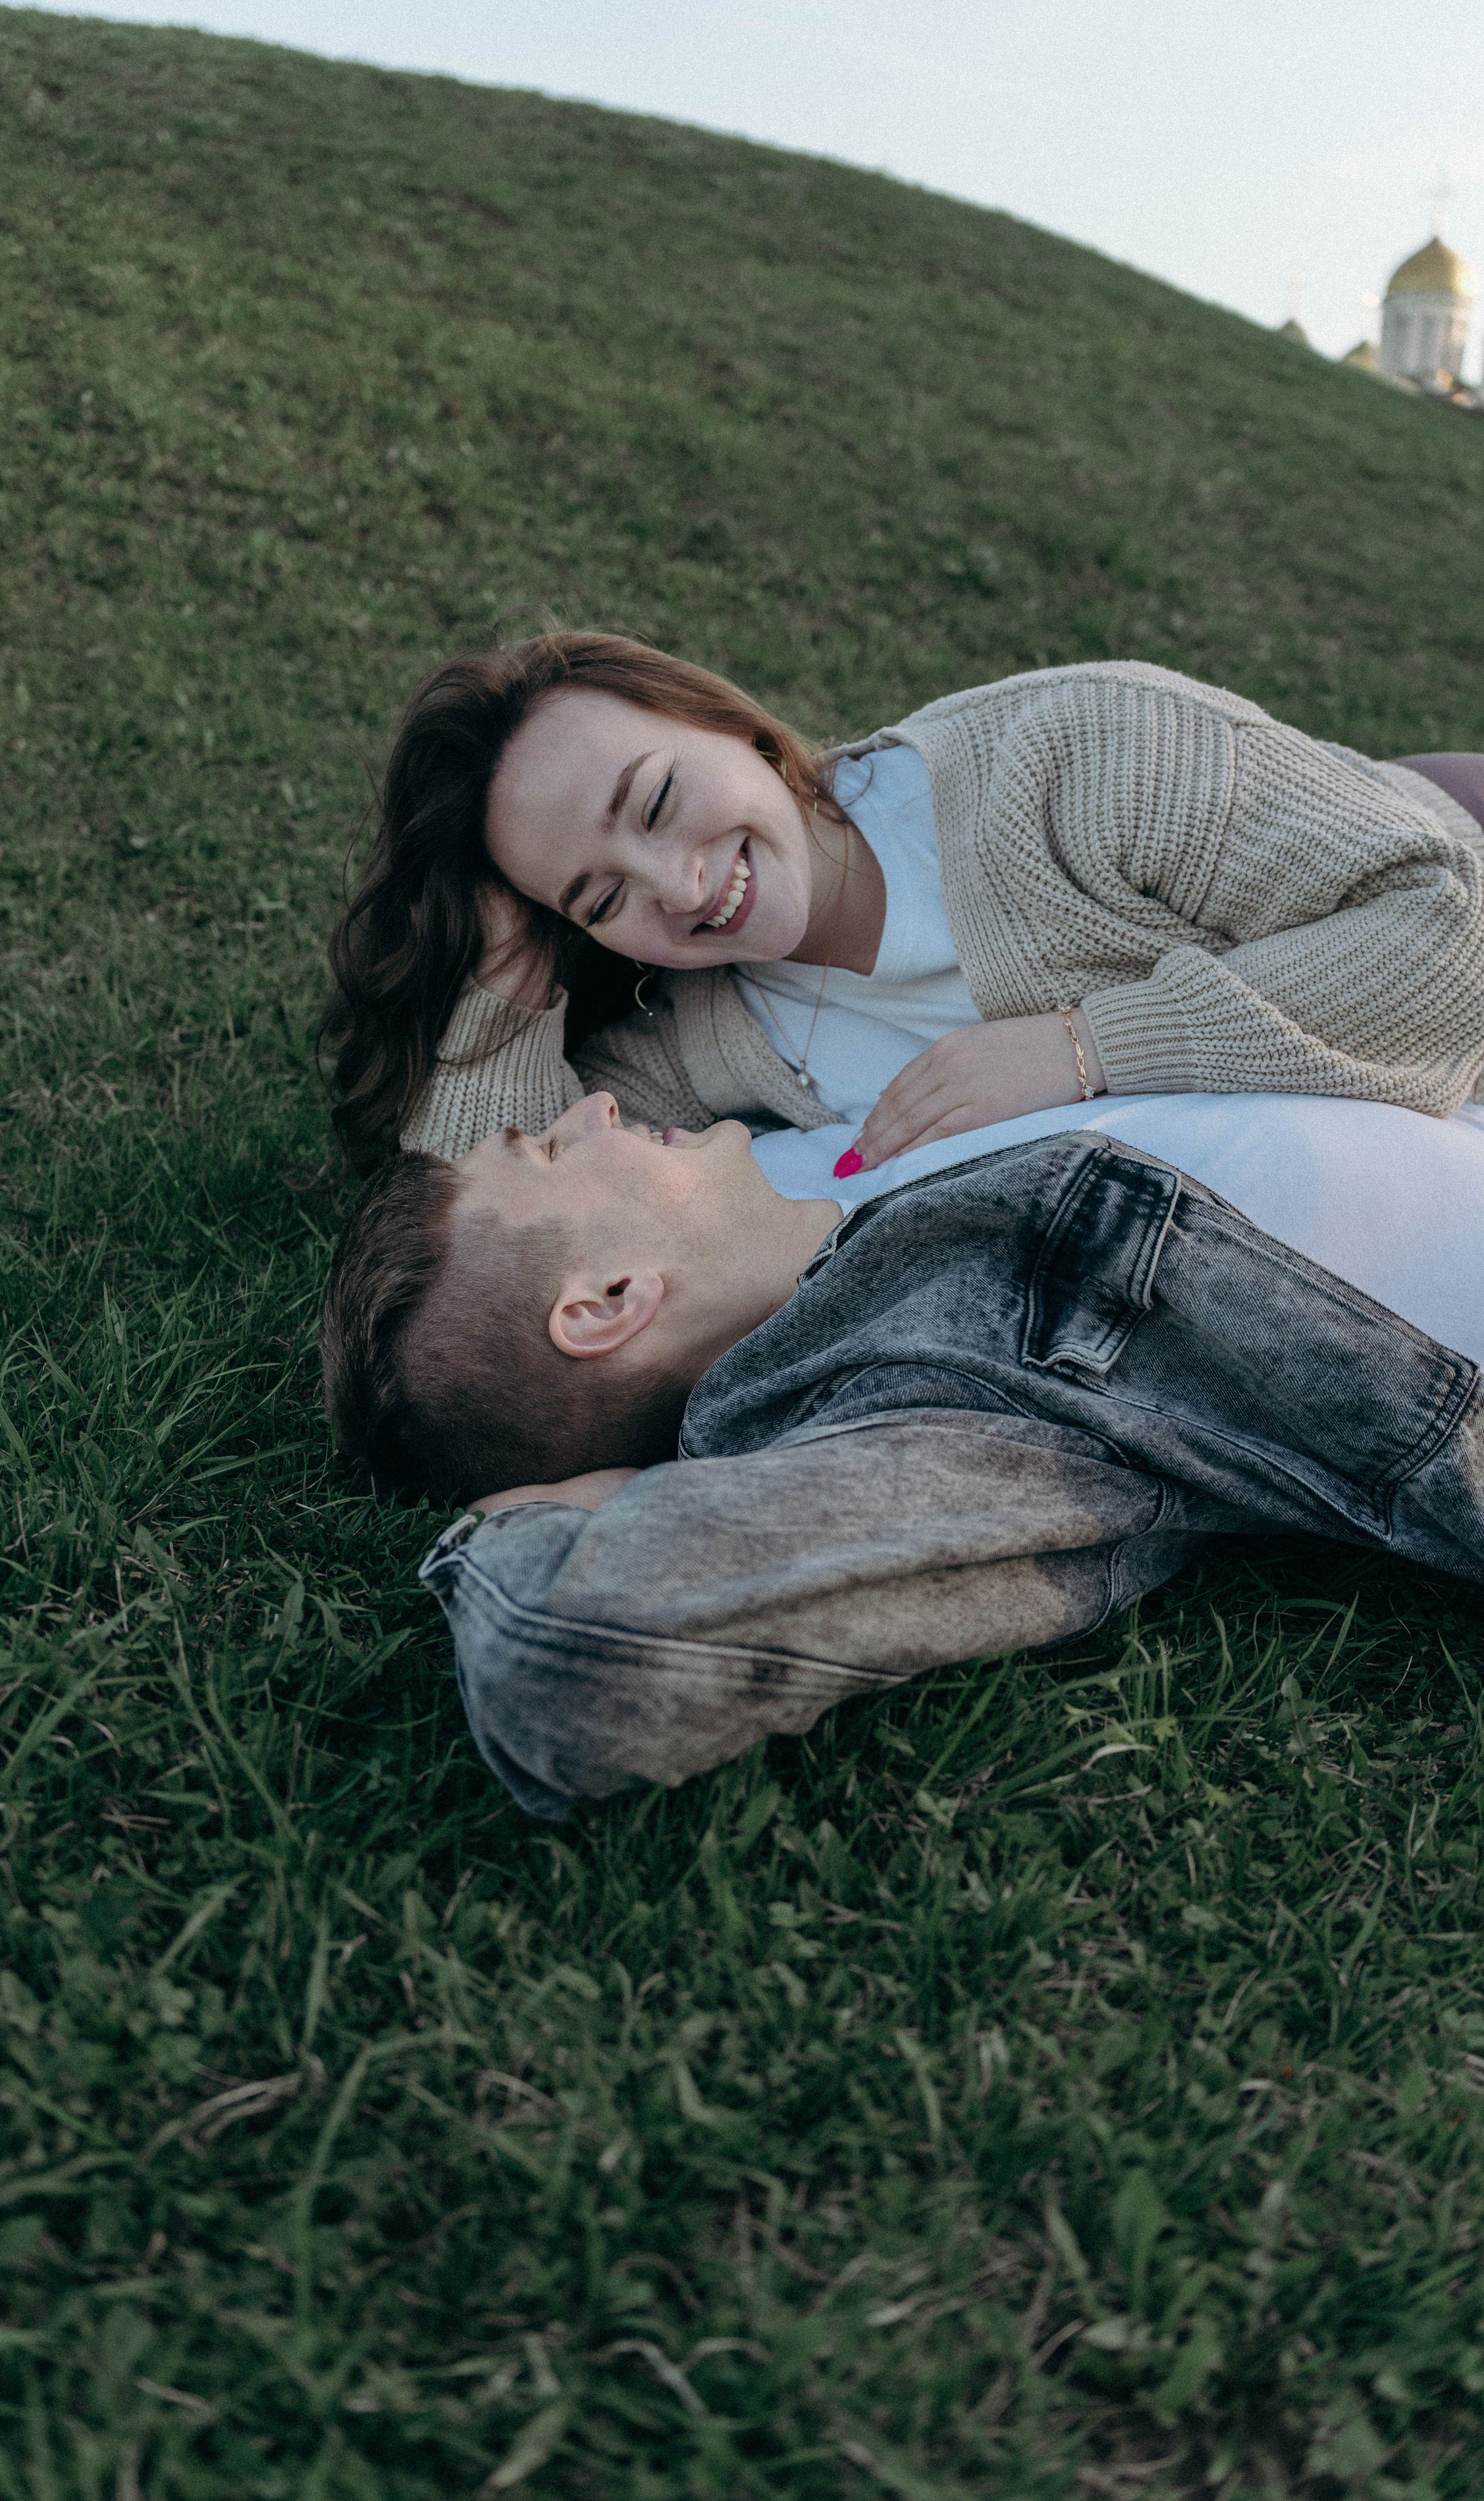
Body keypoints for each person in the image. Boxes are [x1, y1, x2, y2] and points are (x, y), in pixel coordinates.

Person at [321, 1086, 1484, 1817]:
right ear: (610, 1299)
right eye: (548, 1152)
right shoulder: (914, 1396)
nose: (597, 1108)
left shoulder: (832, 1163)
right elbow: (569, 1664)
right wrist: (526, 1512)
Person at [322, 634, 1484, 1176]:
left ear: (721, 717)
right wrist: (504, 981)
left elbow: (1451, 937)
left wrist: (1083, 1050)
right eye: (600, 893)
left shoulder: (1083, 755)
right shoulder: (719, 1032)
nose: (679, 889)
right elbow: (500, 1191)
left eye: (661, 799)